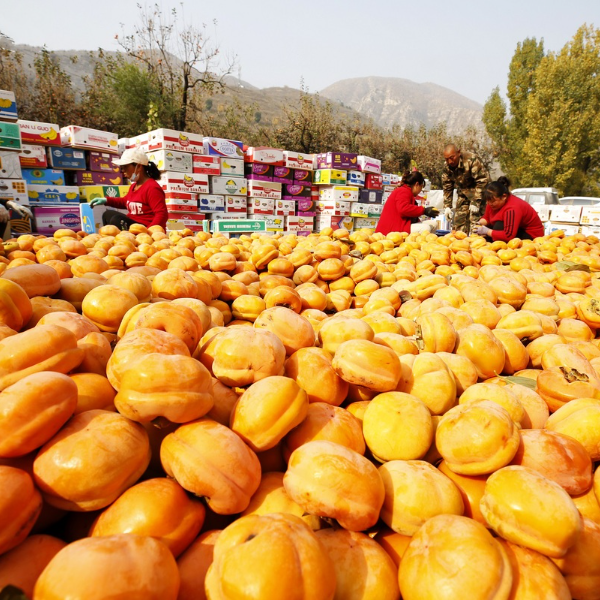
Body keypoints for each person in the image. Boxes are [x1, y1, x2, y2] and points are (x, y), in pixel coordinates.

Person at [89, 148, 168, 230]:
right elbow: (125, 202)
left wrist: (150, 232)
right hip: (133, 224)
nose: (123, 171)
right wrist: (106, 200)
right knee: (108, 214)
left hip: (144, 229)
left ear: (139, 167)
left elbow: (161, 214)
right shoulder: (133, 186)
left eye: (125, 167)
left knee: (117, 220)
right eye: (122, 168)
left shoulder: (152, 187)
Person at [476, 176, 545, 241]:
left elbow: (508, 235)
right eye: (488, 201)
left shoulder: (512, 208)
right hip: (516, 229)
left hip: (531, 235)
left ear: (504, 197)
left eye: (493, 201)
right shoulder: (492, 203)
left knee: (499, 226)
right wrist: (479, 223)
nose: (490, 204)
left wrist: (487, 231)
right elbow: (487, 217)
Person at [442, 144, 491, 235]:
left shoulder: (471, 160)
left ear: (458, 153)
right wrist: (447, 206)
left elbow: (482, 181)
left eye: (452, 158)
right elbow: (447, 186)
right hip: (463, 194)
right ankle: (460, 245)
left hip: (479, 193)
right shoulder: (447, 166)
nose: (450, 161)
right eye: (446, 159)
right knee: (458, 223)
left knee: (476, 223)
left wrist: (476, 202)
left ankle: (478, 244)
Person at [376, 170, 439, 235]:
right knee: (425, 228)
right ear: (417, 184)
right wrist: (424, 210)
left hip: (401, 225)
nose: (420, 191)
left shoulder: (407, 192)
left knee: (434, 224)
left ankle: (430, 243)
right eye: (421, 187)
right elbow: (403, 209)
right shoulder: (403, 191)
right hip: (392, 229)